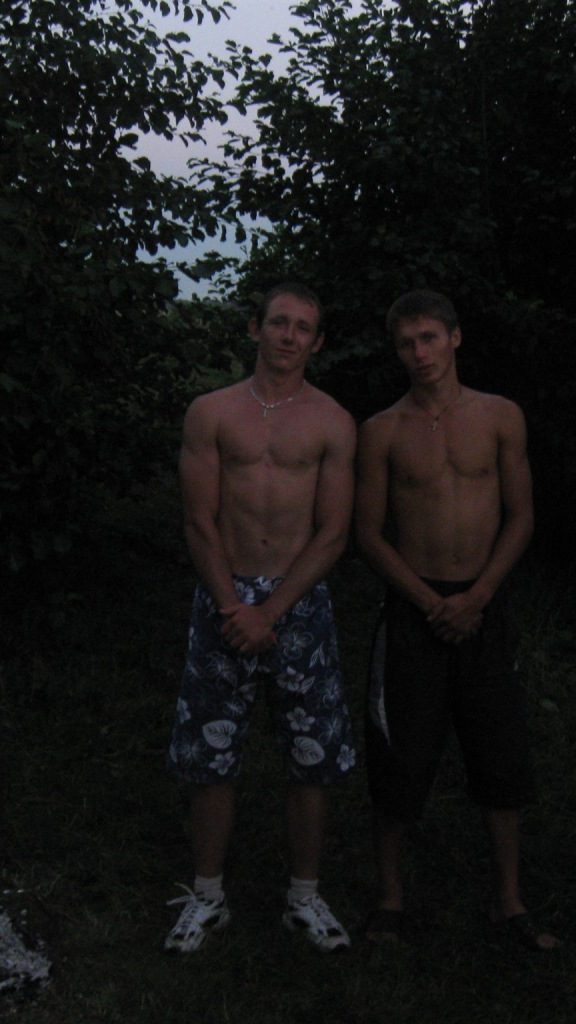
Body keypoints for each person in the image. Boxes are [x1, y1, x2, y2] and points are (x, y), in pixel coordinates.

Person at [355, 289, 559, 950]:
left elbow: (521, 515)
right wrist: (428, 601)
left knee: (500, 753)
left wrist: (479, 596)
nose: (419, 353)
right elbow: (368, 532)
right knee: (398, 754)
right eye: (406, 343)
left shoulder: (500, 416)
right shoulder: (382, 430)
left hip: (483, 605)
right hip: (414, 607)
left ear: (455, 338)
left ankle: (509, 901)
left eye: (429, 338)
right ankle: (390, 899)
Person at [165, 283, 357, 954]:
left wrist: (271, 610)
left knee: (311, 753)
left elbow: (333, 532)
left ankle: (304, 897)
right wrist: (232, 607)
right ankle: (207, 897)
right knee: (210, 753)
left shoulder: (333, 421)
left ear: (317, 341)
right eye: (279, 322)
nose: (288, 335)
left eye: (303, 327)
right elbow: (199, 519)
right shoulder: (212, 412)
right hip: (224, 593)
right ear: (255, 328)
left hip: (299, 604)